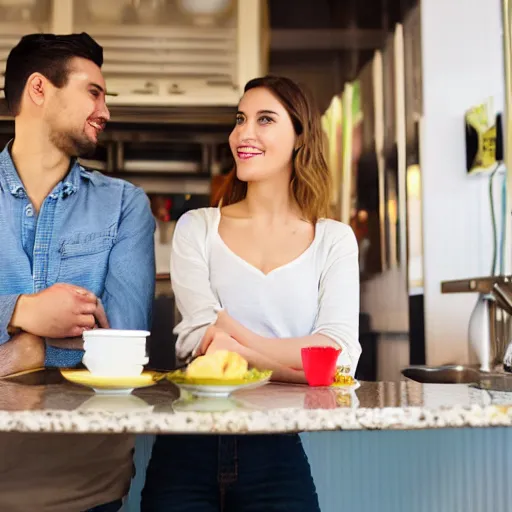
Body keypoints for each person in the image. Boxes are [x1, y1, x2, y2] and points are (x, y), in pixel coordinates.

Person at [141, 75, 361, 511]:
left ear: (299, 137)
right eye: (240, 119)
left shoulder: (334, 240)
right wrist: (297, 362)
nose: (245, 133)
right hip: (186, 448)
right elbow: (198, 343)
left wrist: (239, 340)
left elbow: (340, 357)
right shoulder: (197, 228)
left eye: (265, 120)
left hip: (277, 449)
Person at [0, 33, 155, 512]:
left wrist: (25, 346)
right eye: (94, 91)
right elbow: (92, 343)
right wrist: (25, 310)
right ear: (40, 90)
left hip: (86, 484)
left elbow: (123, 343)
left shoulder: (125, 206)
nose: (105, 111)